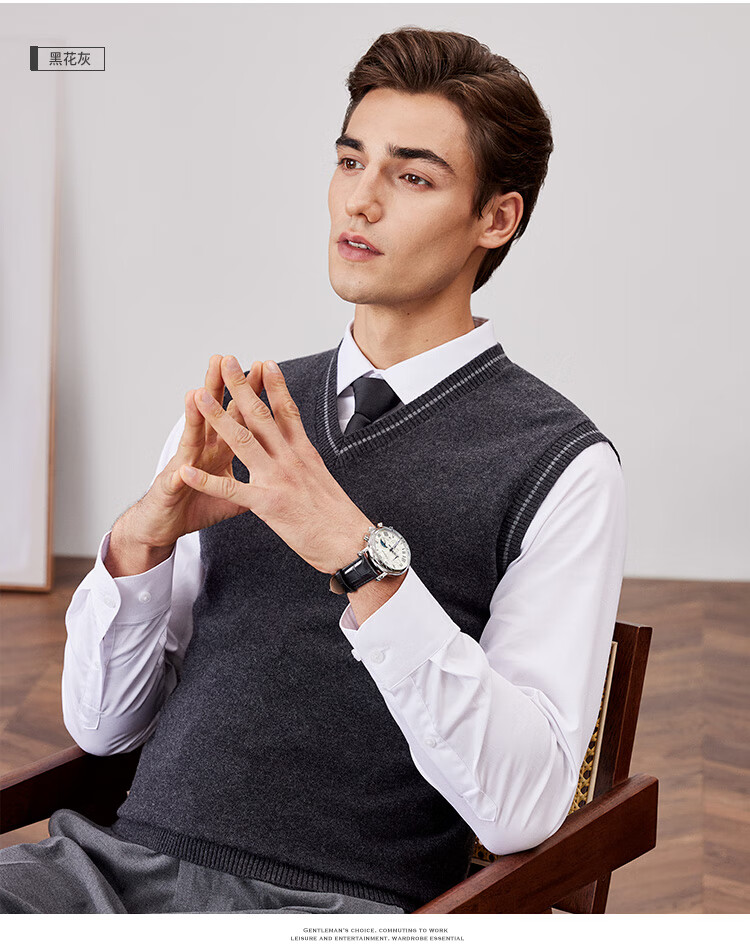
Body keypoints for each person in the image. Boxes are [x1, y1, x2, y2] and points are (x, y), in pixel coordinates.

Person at [0, 26, 626, 914]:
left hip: (333, 913)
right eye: (349, 161)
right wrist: (137, 548)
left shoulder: (562, 464)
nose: (359, 201)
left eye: (412, 177)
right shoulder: (244, 412)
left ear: (497, 218)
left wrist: (360, 558)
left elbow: (521, 808)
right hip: (107, 877)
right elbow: (103, 730)